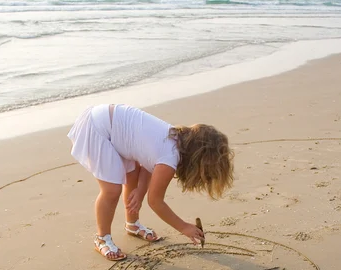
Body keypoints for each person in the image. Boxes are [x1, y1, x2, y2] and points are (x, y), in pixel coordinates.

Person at [67, 103, 234, 261]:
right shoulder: (169, 158)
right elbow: (155, 201)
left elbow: (147, 162)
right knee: (111, 190)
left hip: (112, 122)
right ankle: (102, 238)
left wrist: (139, 191)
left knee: (133, 175)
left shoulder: (174, 137)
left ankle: (132, 224)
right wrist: (184, 227)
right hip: (97, 127)